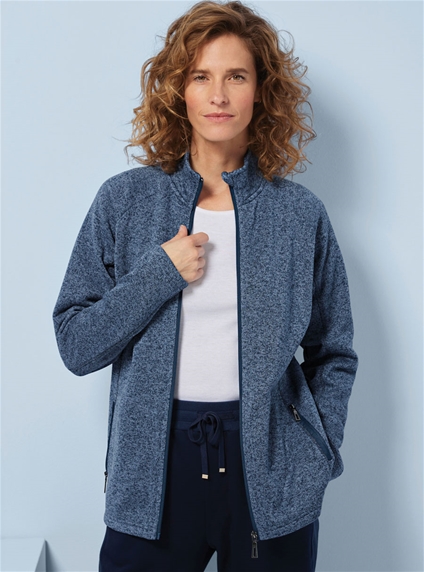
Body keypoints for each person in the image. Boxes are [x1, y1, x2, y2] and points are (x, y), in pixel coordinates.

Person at [53, 1, 358, 571]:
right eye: (201, 76)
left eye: (236, 76)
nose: (218, 95)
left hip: (271, 467)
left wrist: (315, 452)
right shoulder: (123, 201)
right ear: (179, 90)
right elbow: (76, 344)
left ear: (261, 91)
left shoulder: (299, 215)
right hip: (153, 468)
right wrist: (159, 275)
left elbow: (333, 351)